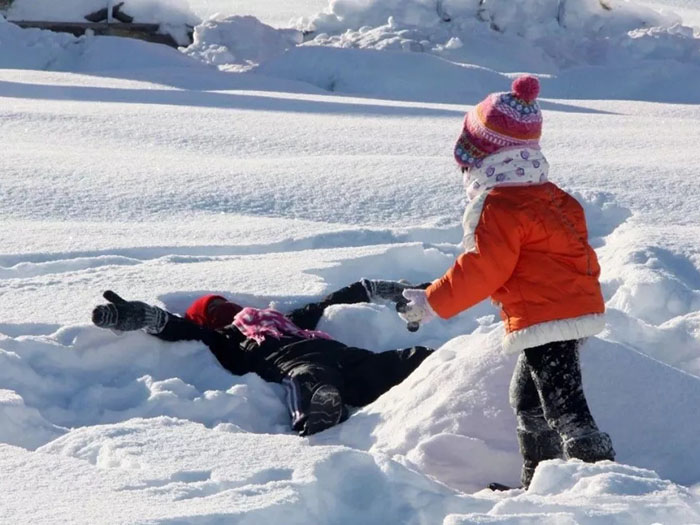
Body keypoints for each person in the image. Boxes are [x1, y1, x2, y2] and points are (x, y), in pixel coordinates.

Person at [396, 75, 615, 489]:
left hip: (545, 316)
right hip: (570, 309)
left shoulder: (499, 205)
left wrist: (431, 303)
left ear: (479, 151)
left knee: (566, 410)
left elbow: (482, 269)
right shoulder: (552, 195)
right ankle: (539, 485)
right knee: (528, 401)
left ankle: (604, 488)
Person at [92, 279, 433, 436]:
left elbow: (334, 298)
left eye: (221, 301)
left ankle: (454, 376)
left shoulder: (288, 321)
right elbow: (173, 327)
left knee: (415, 358)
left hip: (347, 357)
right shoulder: (224, 338)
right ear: (208, 319)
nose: (224, 307)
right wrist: (134, 316)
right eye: (212, 308)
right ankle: (320, 413)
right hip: (297, 365)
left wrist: (396, 290)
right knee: (311, 376)